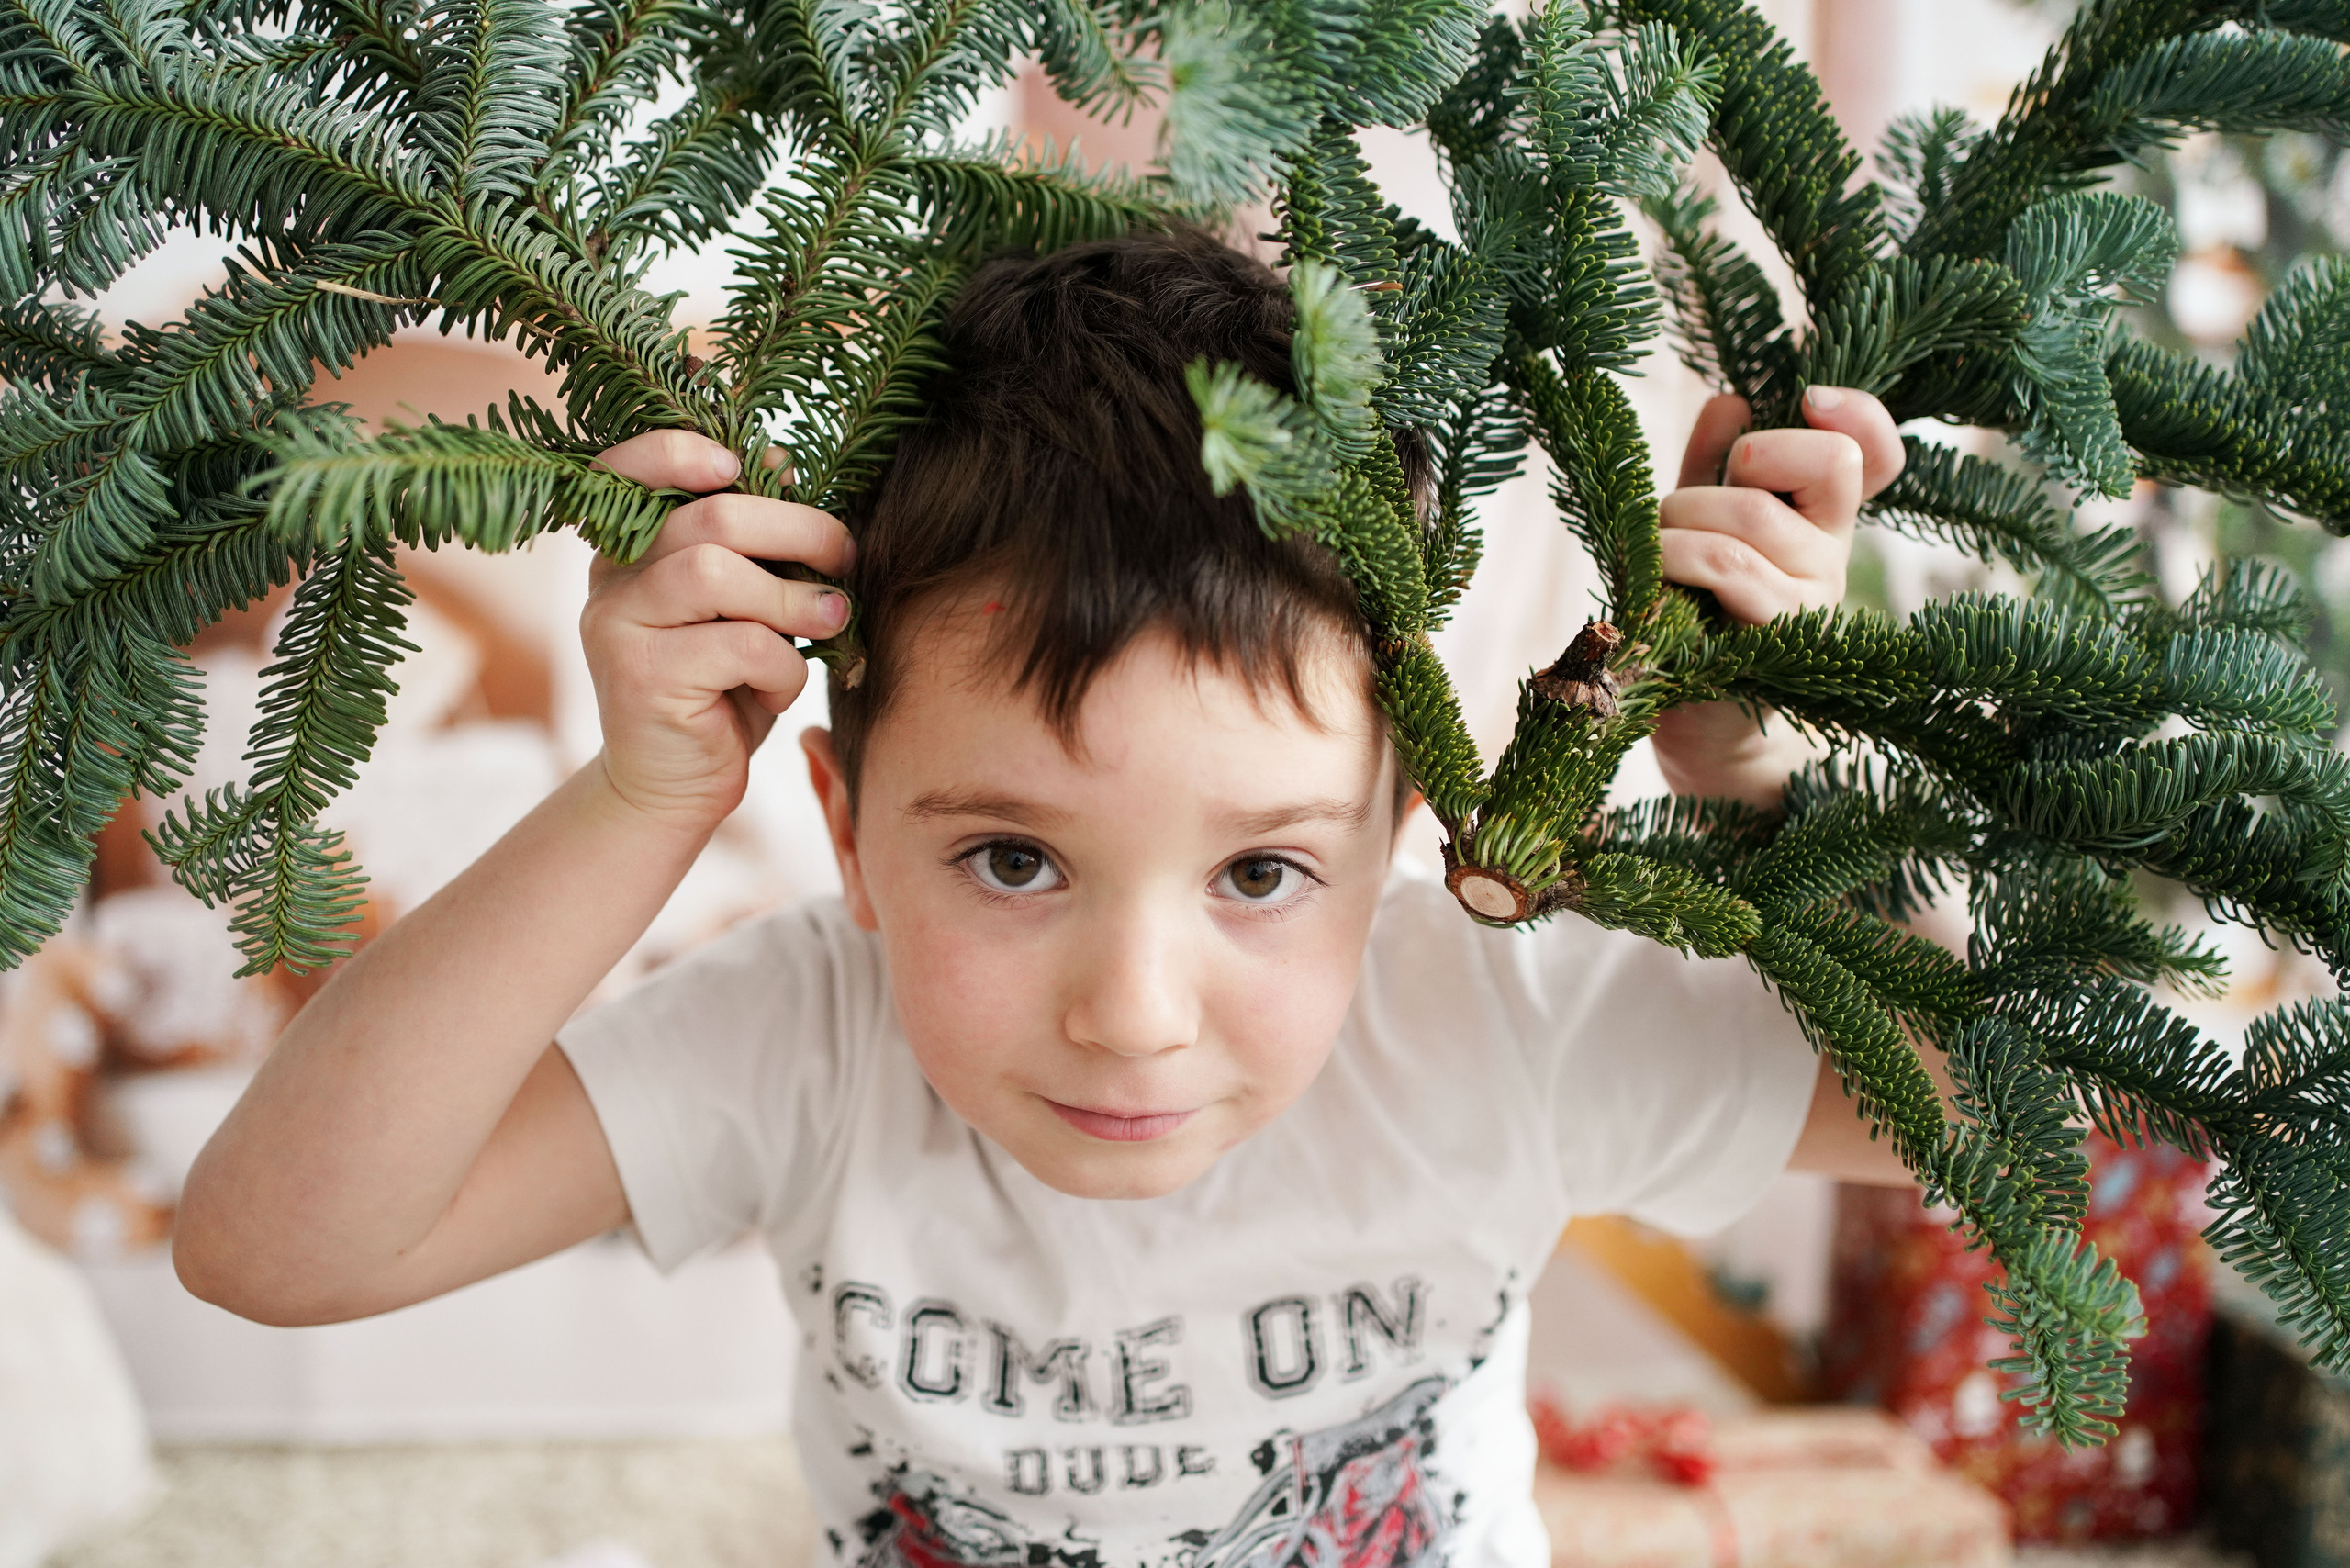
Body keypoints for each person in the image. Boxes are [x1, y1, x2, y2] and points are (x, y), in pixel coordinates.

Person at [173, 228, 1917, 1568]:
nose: (1134, 1014)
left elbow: (1988, 1125)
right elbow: (275, 1248)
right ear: (848, 832)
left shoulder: (1488, 1021)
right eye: (1013, 860)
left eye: (1261, 871)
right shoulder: (807, 1038)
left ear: (1395, 835)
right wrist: (646, 798)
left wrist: (1769, 777)